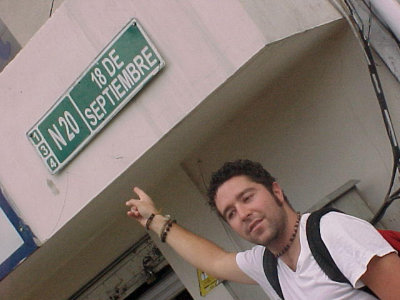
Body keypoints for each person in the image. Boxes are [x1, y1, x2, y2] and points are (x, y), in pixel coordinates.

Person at [126, 159, 400, 299]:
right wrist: (155, 221)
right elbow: (215, 261)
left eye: (247, 198)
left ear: (276, 192)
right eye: (231, 213)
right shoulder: (268, 266)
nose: (243, 214)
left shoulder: (331, 232)